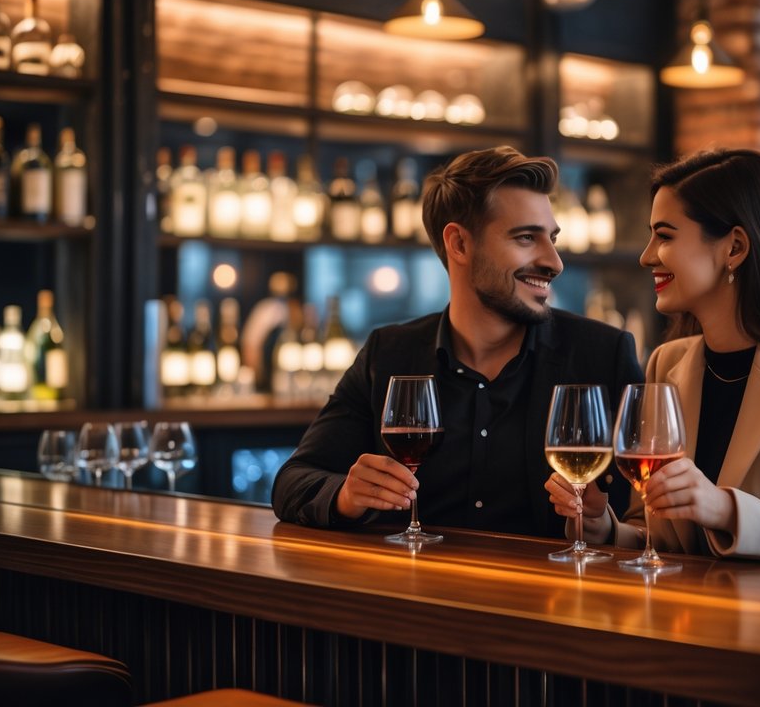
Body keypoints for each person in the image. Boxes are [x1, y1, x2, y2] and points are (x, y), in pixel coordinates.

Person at [545, 149, 760, 573]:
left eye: (666, 235)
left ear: (735, 247)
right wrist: (602, 524)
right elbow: (656, 539)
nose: (646, 255)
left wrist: (727, 510)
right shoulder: (666, 364)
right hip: (679, 626)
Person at [272, 146, 642, 538]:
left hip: (551, 596)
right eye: (526, 238)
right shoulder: (389, 353)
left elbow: (653, 527)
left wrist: (603, 527)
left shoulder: (602, 354)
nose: (554, 261)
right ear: (459, 244)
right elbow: (292, 483)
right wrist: (346, 495)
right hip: (412, 592)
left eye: (551, 238)